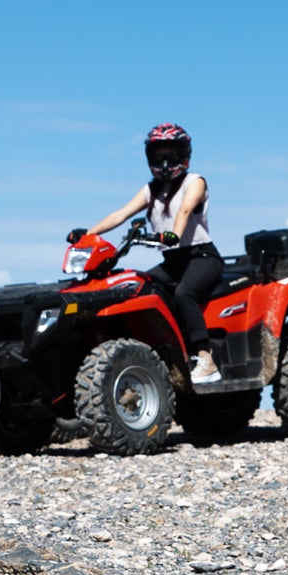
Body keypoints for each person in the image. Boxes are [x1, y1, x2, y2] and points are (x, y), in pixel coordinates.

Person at [71, 123, 222, 384]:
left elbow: (185, 210)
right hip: (172, 262)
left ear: (184, 154)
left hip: (202, 258)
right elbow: (121, 214)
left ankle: (205, 357)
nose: (164, 161)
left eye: (170, 154)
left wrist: (173, 234)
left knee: (184, 293)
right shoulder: (151, 189)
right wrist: (87, 234)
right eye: (159, 154)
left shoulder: (195, 182)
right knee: (137, 287)